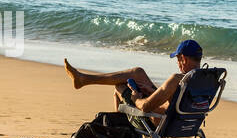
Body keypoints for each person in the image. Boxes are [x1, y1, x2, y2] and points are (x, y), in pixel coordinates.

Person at [63, 39, 203, 125]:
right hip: (185, 121)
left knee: (119, 87)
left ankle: (120, 129)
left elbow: (146, 107)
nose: (178, 64)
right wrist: (153, 92)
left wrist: (136, 98)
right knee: (137, 72)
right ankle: (84, 79)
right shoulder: (206, 79)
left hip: (160, 121)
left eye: (178, 59)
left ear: (184, 59)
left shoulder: (176, 80)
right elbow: (177, 104)